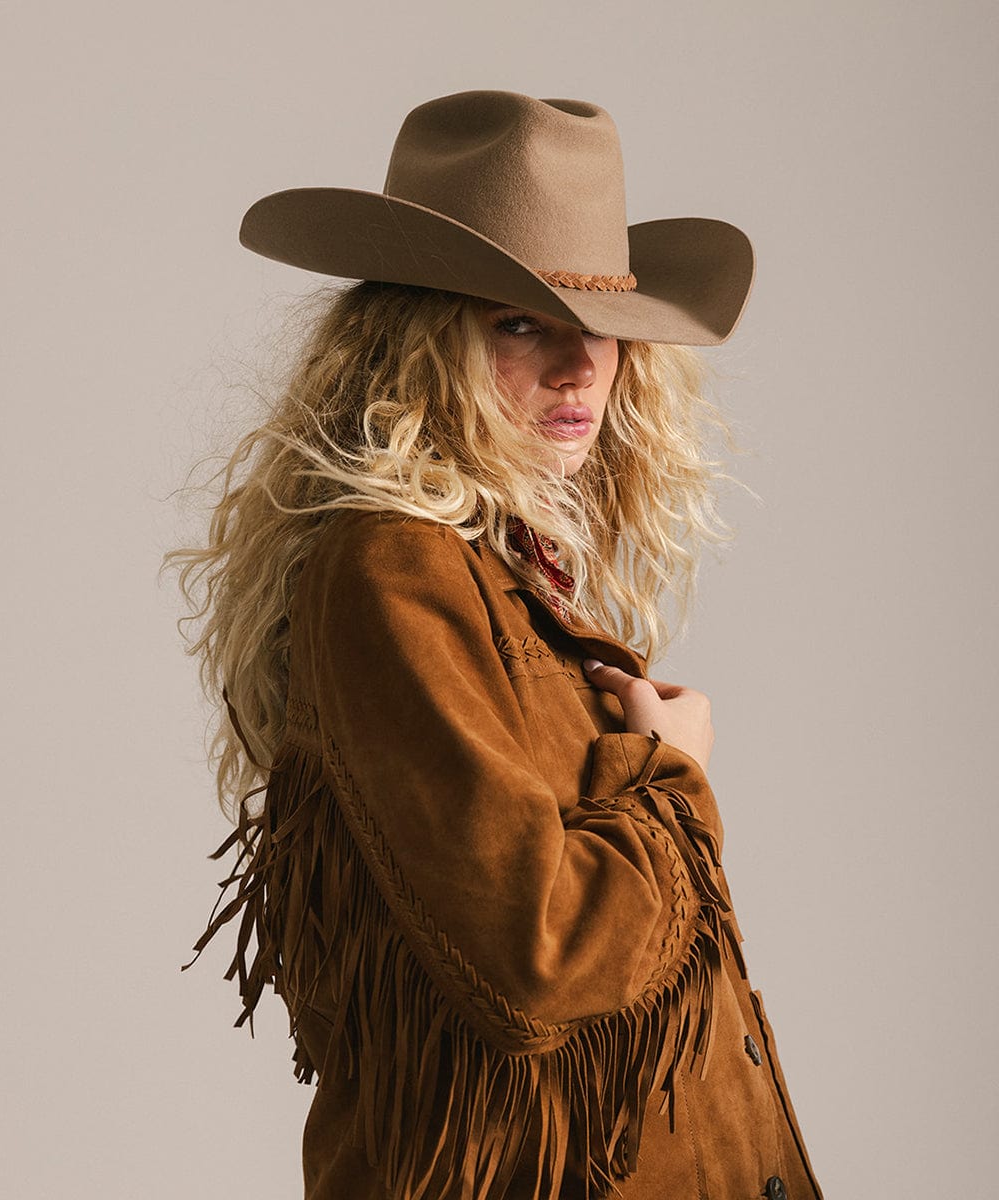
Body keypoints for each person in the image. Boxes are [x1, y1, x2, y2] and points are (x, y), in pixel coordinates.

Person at [172, 91, 823, 1200]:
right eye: (520, 323)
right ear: (416, 345)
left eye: (601, 323)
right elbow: (541, 955)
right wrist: (671, 772)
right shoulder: (393, 569)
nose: (580, 367)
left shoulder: (502, 573)